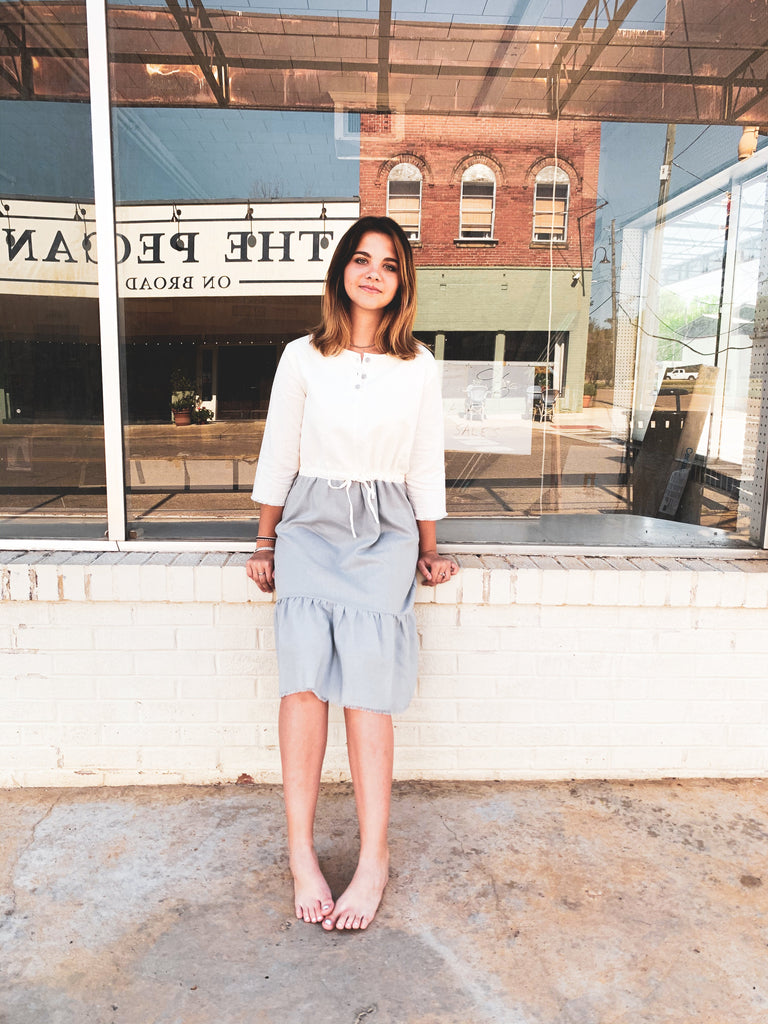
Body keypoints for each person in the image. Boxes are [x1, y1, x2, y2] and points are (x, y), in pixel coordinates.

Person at [245, 215, 458, 932]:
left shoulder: (421, 367)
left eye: (389, 264)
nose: (373, 272)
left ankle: (374, 857)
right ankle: (300, 853)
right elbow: (280, 452)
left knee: (368, 694)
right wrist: (265, 541)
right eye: (361, 259)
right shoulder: (301, 357)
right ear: (341, 271)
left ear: (403, 282)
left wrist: (429, 547)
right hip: (309, 525)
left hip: (386, 530)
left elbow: (425, 462)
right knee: (304, 687)